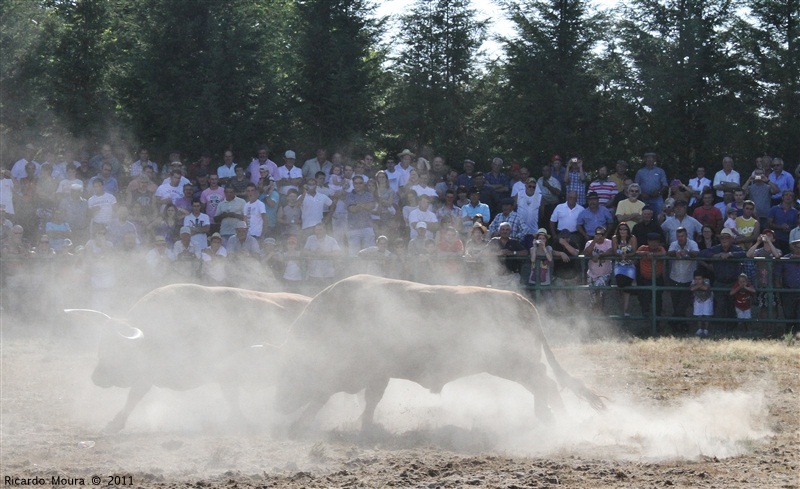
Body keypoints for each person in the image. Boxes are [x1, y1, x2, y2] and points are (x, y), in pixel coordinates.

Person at [699, 228, 746, 329]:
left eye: (727, 238)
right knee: (719, 305)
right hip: (719, 281)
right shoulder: (716, 248)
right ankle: (718, 328)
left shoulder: (736, 249)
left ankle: (732, 328)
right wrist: (715, 256)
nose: (724, 240)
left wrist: (730, 254)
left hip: (733, 282)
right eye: (722, 238)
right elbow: (703, 253)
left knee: (732, 306)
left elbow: (743, 253)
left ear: (731, 239)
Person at [667, 227, 699, 333]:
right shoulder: (674, 244)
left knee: (683, 304)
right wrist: (676, 253)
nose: (680, 238)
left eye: (682, 236)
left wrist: (687, 253)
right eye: (678, 236)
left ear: (686, 236)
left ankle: (673, 322)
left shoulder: (692, 244)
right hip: (674, 277)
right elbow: (669, 253)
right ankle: (681, 325)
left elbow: (696, 253)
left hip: (688, 278)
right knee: (676, 304)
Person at [606, 222, 638, 317]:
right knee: (620, 283)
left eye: (625, 229)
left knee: (627, 288)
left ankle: (625, 310)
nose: (623, 231)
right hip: (619, 265)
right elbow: (615, 251)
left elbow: (634, 251)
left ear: (628, 230)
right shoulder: (615, 238)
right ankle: (622, 306)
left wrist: (627, 255)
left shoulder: (633, 238)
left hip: (629, 265)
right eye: (621, 229)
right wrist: (620, 255)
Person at [486, 221, 528, 290]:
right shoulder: (494, 241)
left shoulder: (514, 242)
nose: (505, 232)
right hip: (496, 276)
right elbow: (484, 252)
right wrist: (498, 253)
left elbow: (525, 252)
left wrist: (512, 253)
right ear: (499, 231)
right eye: (502, 229)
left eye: (507, 230)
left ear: (510, 232)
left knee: (513, 297)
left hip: (511, 276)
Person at [636, 232, 667, 320]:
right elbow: (637, 252)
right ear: (648, 241)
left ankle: (657, 320)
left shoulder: (661, 249)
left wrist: (652, 255)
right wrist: (646, 253)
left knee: (658, 299)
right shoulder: (643, 247)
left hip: (657, 278)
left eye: (656, 241)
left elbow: (664, 253)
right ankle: (645, 315)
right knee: (644, 297)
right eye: (651, 241)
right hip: (644, 279)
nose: (653, 243)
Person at [584, 225, 613, 312]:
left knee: (599, 291)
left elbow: (611, 251)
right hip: (592, 273)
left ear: (605, 235)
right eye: (597, 234)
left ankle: (600, 313)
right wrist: (594, 242)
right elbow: (586, 252)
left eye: (602, 234)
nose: (599, 236)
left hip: (605, 273)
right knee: (592, 297)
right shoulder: (589, 243)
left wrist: (599, 255)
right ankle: (594, 317)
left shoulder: (609, 242)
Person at [776, 238, 800, 334]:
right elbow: (777, 275)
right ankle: (789, 334)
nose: (798, 249)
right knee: (789, 314)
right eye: (796, 247)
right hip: (788, 291)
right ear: (792, 247)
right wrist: (779, 291)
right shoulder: (785, 259)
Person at [691, 271, 713, 337]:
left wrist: (697, 286)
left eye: (699, 279)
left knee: (707, 314)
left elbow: (706, 288)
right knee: (699, 314)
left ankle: (706, 329)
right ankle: (699, 329)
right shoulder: (693, 281)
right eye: (696, 279)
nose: (698, 281)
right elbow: (692, 289)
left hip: (707, 299)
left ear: (703, 279)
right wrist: (700, 286)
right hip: (697, 300)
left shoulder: (707, 281)